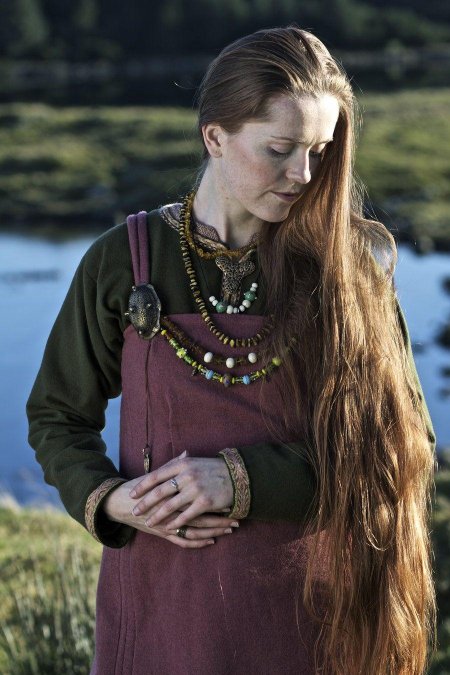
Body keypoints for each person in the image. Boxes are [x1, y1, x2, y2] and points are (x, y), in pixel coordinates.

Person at [26, 25, 437, 675]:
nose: (304, 174)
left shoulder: (346, 272)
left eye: (320, 151)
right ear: (214, 137)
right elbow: (57, 416)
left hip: (306, 622)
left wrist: (238, 478)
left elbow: (400, 447)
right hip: (158, 610)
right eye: (280, 149)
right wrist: (108, 499)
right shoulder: (124, 261)